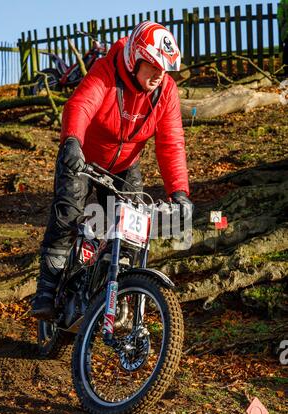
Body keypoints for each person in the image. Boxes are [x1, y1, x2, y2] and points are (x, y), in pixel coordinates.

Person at [31, 21, 190, 320]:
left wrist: (179, 193)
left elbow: (172, 143)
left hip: (124, 166)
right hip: (82, 157)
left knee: (131, 231)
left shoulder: (165, 91)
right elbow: (80, 105)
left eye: (164, 69)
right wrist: (72, 142)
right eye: (153, 66)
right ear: (135, 59)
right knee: (67, 215)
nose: (158, 75)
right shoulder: (107, 71)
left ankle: (118, 292)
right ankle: (47, 291)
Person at [278, 0, 288, 71]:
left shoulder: (283, 2)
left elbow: (280, 17)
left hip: (287, 31)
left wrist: (283, 25)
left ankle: (286, 71)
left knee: (287, 52)